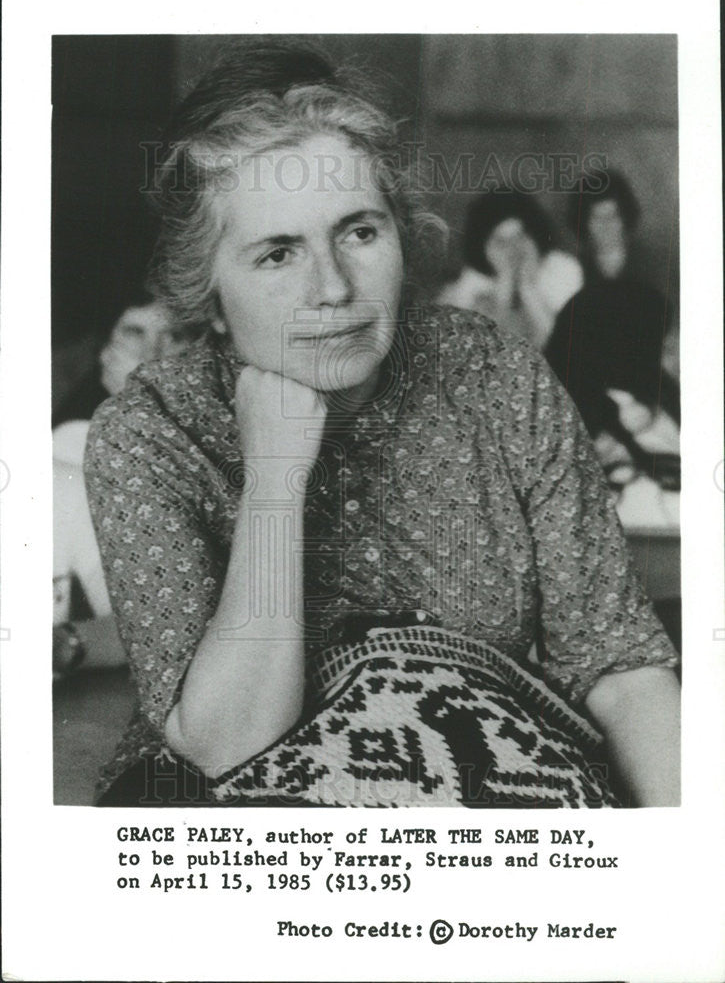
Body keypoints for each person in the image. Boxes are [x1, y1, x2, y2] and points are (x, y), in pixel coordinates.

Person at [85, 41, 680, 808]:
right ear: (208, 297)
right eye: (276, 254)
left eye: (359, 232)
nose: (332, 287)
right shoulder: (150, 430)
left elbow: (618, 663)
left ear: (402, 232)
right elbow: (226, 741)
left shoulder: (491, 372)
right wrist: (273, 476)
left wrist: (685, 862)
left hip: (504, 796)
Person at [53, 299, 198, 677]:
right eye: (135, 332)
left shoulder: (208, 441)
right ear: (105, 353)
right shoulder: (70, 445)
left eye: (174, 336)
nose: (153, 351)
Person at [545, 172, 680, 525]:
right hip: (592, 385)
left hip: (644, 379)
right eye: (596, 217)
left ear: (626, 218)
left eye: (613, 215)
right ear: (584, 224)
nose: (606, 225)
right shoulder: (573, 272)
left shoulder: (655, 268)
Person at [437, 189, 583, 348]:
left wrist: (527, 287)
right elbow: (482, 349)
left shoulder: (562, 267)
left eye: (520, 236)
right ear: (485, 247)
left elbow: (563, 345)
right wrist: (504, 284)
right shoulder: (472, 279)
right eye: (502, 242)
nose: (514, 249)